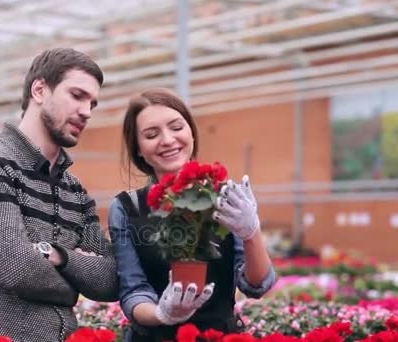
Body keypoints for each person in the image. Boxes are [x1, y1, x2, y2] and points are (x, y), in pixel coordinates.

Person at [0, 48, 119, 342]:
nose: (87, 112)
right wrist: (75, 283)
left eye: (92, 103)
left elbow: (110, 280)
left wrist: (59, 256)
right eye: (77, 95)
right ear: (40, 90)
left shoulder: (75, 190)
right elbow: (18, 268)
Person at [108, 88, 276, 341]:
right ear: (139, 149)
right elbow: (134, 290)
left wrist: (251, 232)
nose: (167, 140)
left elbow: (256, 285)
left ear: (191, 133)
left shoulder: (228, 198)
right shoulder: (126, 208)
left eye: (176, 127)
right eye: (151, 134)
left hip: (219, 335)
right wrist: (163, 313)